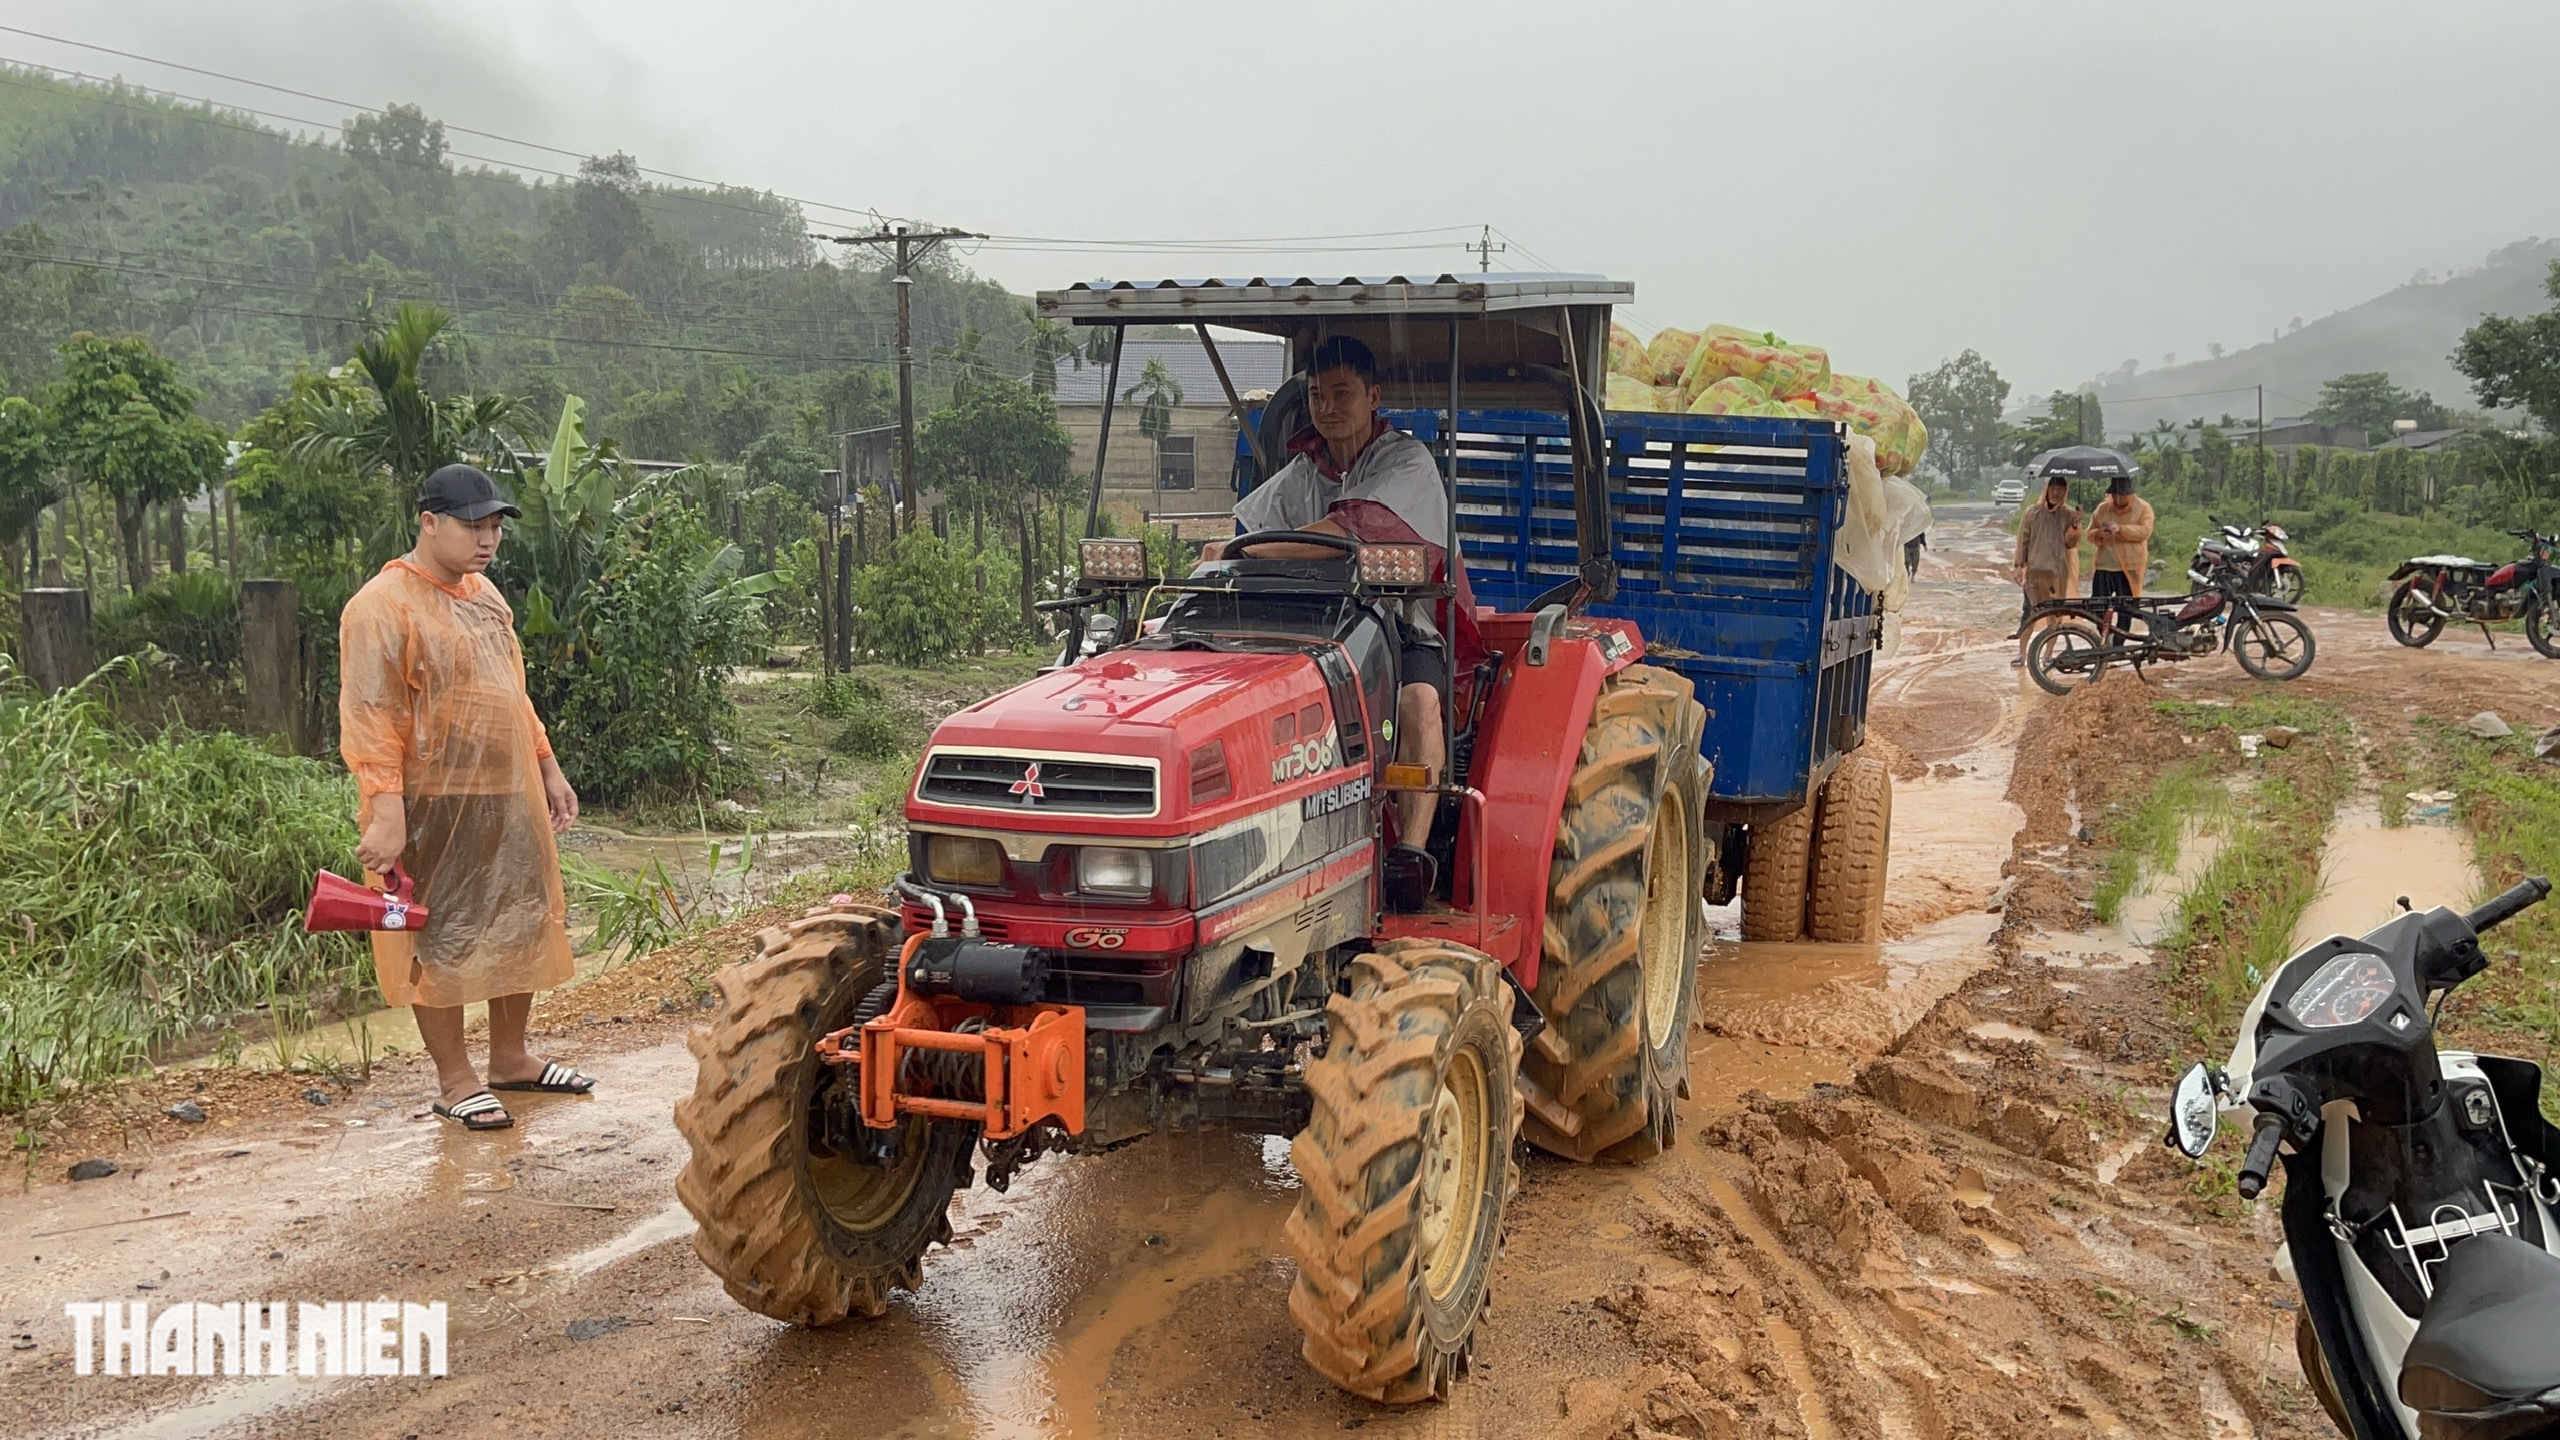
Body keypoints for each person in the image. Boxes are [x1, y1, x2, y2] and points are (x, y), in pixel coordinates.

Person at [341, 464, 588, 1132]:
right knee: (438, 932)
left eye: (495, 527)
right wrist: (386, 805)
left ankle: (511, 1058)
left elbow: (513, 693)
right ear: (429, 522)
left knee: (520, 914)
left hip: (505, 788)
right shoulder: (380, 606)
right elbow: (371, 713)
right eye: (472, 526)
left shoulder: (486, 597)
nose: (487, 540)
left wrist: (547, 766)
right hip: (431, 797)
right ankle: (455, 1080)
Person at [1201, 335, 1483, 910]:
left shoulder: (1406, 461)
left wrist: (1248, 551)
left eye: (1341, 392)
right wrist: (1223, 552)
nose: (1326, 406)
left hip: (1399, 629)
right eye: (1314, 395)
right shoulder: (1304, 472)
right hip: (1309, 635)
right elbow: (1242, 532)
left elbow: (1350, 534)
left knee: (1418, 703)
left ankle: (1410, 854)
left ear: (1374, 396)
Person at [2011, 474, 2082, 668]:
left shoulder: (2068, 514)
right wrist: (2019, 566)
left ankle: (2048, 655)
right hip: (2034, 573)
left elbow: (2071, 543)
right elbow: (2022, 540)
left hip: (2057, 574)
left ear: (2064, 492)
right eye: (2053, 488)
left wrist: (2075, 526)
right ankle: (2021, 654)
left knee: (2054, 615)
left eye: (2060, 489)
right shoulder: (2032, 513)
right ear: (2047, 489)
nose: (2056, 493)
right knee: (2030, 612)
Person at [2086, 473, 2154, 634]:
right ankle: (2105, 637)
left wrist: (2121, 529)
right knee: (2097, 607)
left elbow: (2144, 532)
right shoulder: (2103, 509)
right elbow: (2089, 533)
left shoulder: (2143, 508)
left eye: (2122, 494)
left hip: (2130, 568)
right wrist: (2100, 533)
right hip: (2105, 567)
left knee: (2126, 611)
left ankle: (2119, 642)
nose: (2118, 498)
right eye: (2115, 494)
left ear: (2130, 494)